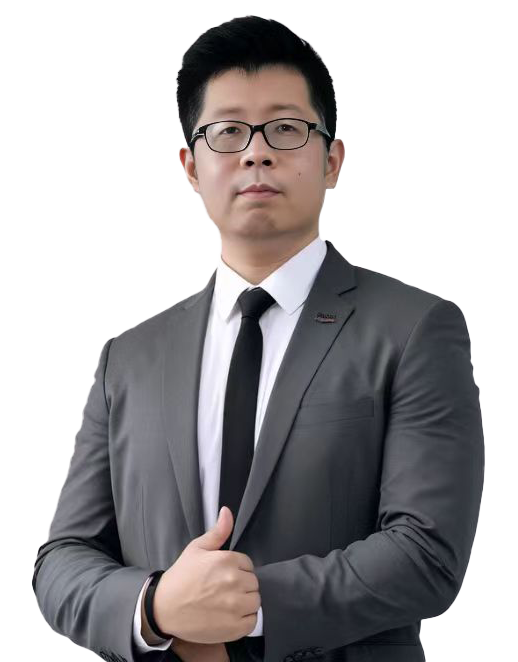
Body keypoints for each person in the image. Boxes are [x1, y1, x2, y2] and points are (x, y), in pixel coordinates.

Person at [31, 14, 485, 662]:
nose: (256, 153)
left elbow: (427, 552)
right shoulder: (127, 359)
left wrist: (236, 610)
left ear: (332, 161)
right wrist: (156, 606)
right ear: (191, 168)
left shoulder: (414, 329)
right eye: (227, 132)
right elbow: (62, 561)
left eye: (286, 128)